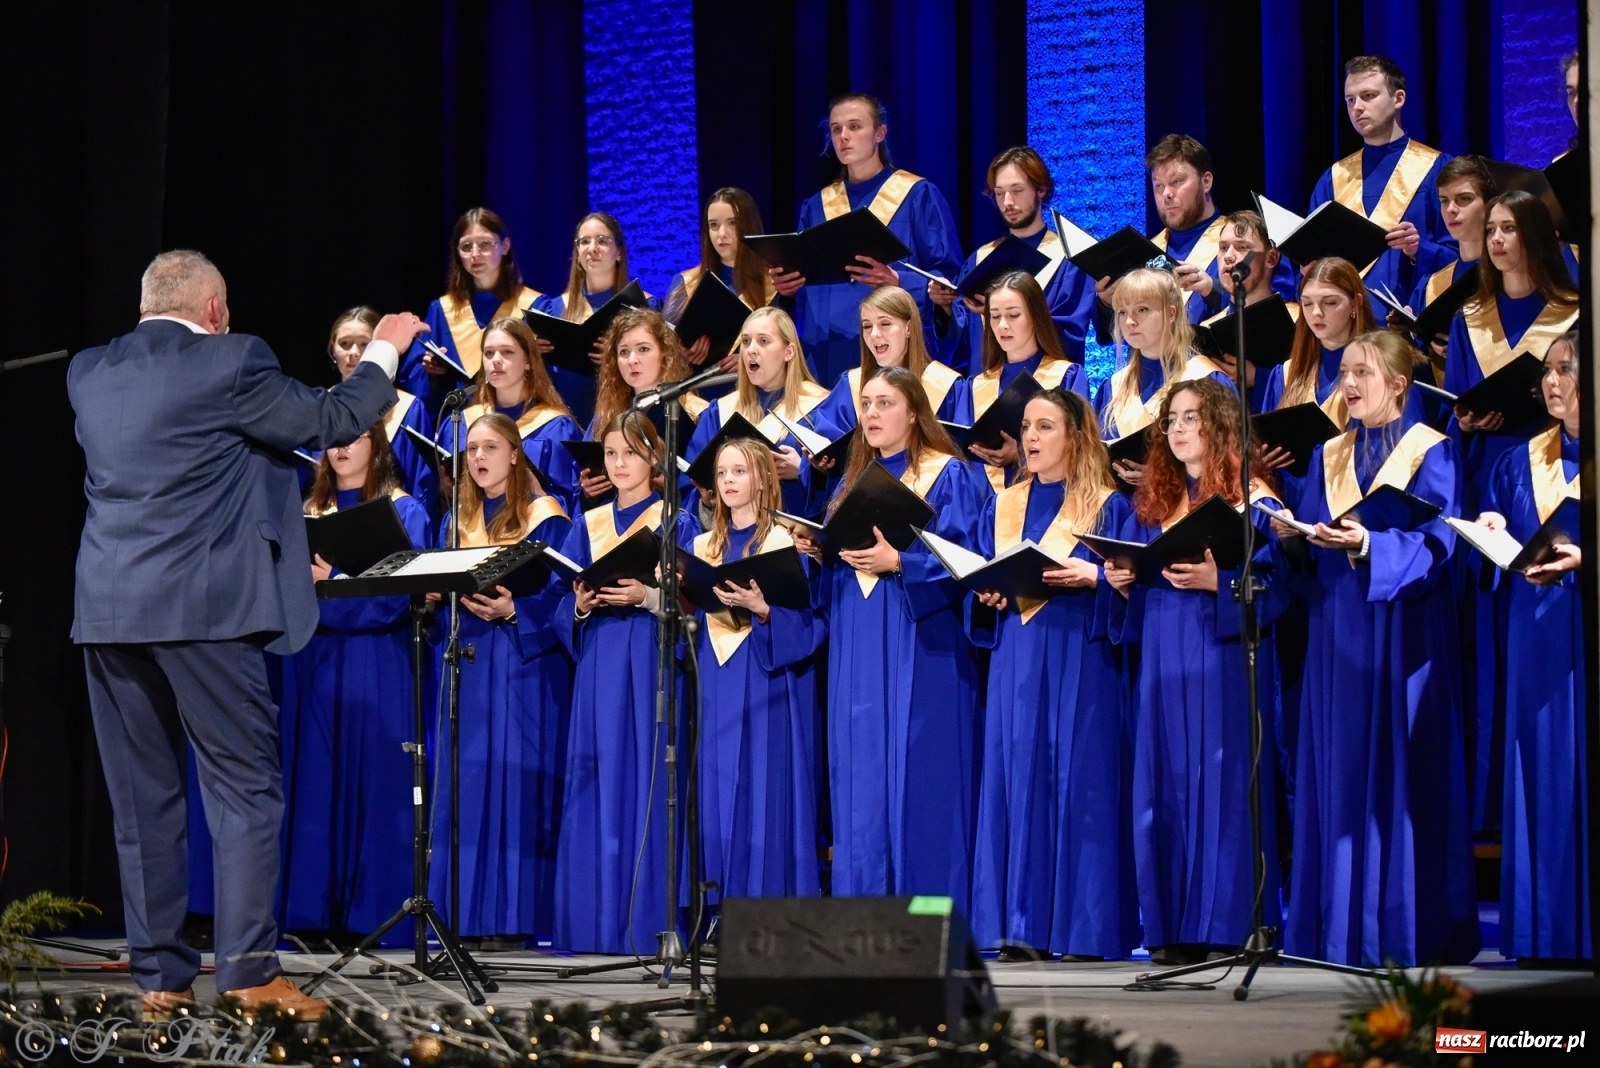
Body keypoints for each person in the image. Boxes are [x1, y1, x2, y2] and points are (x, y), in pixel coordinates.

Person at [68, 249, 422, 1019]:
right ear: (215, 309)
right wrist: (387, 345)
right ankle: (250, 974)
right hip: (204, 612)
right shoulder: (231, 362)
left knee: (142, 800)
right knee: (245, 790)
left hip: (107, 612)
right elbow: (331, 419)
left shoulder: (89, 374)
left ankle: (161, 978)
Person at [1272, 330, 1479, 967]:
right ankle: (1333, 929)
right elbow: (1309, 539)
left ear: (1397, 383)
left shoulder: (1432, 452)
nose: (1350, 384)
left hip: (1403, 628)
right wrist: (1289, 533)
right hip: (1337, 625)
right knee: (1339, 766)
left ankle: (1398, 928)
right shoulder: (1330, 454)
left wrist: (1368, 545)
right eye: (1344, 374)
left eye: (1363, 372)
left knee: (1396, 769)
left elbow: (1443, 544)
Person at [788, 368, 989, 916]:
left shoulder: (950, 476)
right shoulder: (851, 483)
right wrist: (817, 553)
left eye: (885, 403)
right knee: (861, 772)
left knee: (922, 771)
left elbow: (968, 560)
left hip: (922, 642)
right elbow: (832, 582)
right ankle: (864, 910)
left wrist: (902, 561)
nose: (872, 413)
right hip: (857, 637)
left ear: (914, 411)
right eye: (867, 404)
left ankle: (929, 913)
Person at [1100, 376, 1286, 966]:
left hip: (1223, 654)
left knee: (1222, 778)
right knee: (1165, 782)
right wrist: (1121, 581)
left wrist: (1223, 584)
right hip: (1162, 652)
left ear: (1222, 426)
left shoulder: (1252, 497)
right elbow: (1132, 572)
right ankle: (1171, 926)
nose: (1178, 430)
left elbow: (1281, 586)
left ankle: (1228, 922)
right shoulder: (1154, 502)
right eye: (1172, 421)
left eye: (1190, 418)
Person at [966, 389, 1138, 961]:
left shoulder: (1108, 505)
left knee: (1079, 780)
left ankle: (1084, 930)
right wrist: (985, 593)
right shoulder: (1003, 504)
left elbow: (1128, 587)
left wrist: (1095, 579)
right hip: (1016, 651)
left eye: (1046, 427)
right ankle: (1020, 927)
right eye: (1028, 427)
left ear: (1075, 437)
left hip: (1080, 654)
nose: (1032, 438)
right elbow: (980, 581)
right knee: (1018, 779)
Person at [1447, 190, 1580, 834]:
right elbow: (1453, 399)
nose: (1496, 240)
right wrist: (1469, 417)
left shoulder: (1574, 315)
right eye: (1491, 229)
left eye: (1508, 228)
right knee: (1495, 642)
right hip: (1493, 473)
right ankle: (1493, 811)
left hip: (1564, 465)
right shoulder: (1471, 313)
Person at [278, 425, 429, 939]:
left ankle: (373, 916)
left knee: (374, 782)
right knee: (318, 782)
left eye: (355, 438)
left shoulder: (404, 509)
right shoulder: (305, 513)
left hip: (376, 657)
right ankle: (311, 915)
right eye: (332, 439)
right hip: (315, 658)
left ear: (378, 446)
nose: (340, 448)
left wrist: (336, 584)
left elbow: (406, 591)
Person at [431, 413, 573, 944]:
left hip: (521, 665)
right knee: (467, 782)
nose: (479, 458)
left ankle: (513, 920)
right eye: (471, 450)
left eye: (491, 447)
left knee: (514, 783)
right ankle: (462, 916)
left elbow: (564, 595)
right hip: (468, 662)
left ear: (516, 454)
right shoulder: (456, 520)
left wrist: (517, 609)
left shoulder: (546, 518)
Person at [1475, 331, 1590, 965]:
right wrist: (1493, 527)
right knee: (1540, 768)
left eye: (1567, 369)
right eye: (1547, 370)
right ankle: (1545, 932)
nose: (1552, 382)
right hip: (1534, 630)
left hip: (1585, 621)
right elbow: (1502, 532)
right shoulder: (1519, 459)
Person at [553, 413, 679, 953]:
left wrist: (646, 597)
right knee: (597, 781)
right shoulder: (588, 523)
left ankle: (644, 923)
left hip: (650, 658)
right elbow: (566, 600)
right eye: (610, 455)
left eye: (630, 453)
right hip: (600, 661)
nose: (619, 464)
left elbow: (693, 599)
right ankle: (593, 924)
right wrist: (578, 606)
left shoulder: (678, 519)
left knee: (644, 779)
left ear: (653, 458)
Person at [680, 439, 825, 903]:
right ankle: (720, 905)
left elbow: (816, 620)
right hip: (717, 676)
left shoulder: (788, 542)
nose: (727, 482)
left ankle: (767, 902)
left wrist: (764, 610)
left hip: (769, 675)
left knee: (765, 788)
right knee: (720, 788)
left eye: (738, 472)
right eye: (722, 474)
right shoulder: (702, 546)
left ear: (763, 479)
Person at [773, 93, 962, 386]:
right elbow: (803, 289)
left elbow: (949, 281)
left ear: (879, 133)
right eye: (836, 129)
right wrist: (787, 290)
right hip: (825, 356)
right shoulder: (816, 206)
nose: (843, 137)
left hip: (893, 355)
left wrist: (898, 281)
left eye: (854, 126)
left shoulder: (917, 196)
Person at [1093, 136, 1294, 330]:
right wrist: (1108, 303)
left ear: (1206, 182)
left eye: (1177, 181)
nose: (1167, 194)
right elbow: (1115, 337)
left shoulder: (1251, 243)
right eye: (1159, 186)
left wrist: (1213, 291)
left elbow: (1276, 314)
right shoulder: (1145, 253)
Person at [928, 146, 1095, 374]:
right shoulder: (979, 259)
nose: (1007, 202)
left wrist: (1000, 312)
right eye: (999, 193)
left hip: (1047, 391)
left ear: (1041, 190)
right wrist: (945, 307)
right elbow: (963, 341)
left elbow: (1069, 336)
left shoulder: (1069, 260)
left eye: (1017, 190)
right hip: (986, 389)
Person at [1309, 56, 1454, 310]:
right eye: (1350, 100)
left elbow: (1464, 255)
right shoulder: (1333, 178)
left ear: (1398, 99)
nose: (1357, 107)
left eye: (1368, 96)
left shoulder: (1437, 169)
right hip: (1345, 327)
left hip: (1410, 324)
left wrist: (1419, 249)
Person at [684, 307, 831, 517]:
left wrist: (803, 471)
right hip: (734, 540)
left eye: (763, 341)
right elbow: (690, 489)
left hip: (795, 541)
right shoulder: (718, 413)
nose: (751, 350)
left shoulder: (822, 408)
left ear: (788, 352)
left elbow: (842, 483)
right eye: (745, 342)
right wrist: (707, 502)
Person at [1093, 268, 1231, 487]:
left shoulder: (1207, 380)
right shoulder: (1112, 387)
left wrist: (1163, 476)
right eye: (1122, 312)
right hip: (1122, 514)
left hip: (1186, 510)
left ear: (1172, 313)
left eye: (1142, 309)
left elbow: (1229, 461)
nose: (1129, 321)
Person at [956, 272, 1089, 493]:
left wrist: (1020, 453)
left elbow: (1081, 447)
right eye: (995, 316)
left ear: (1036, 316)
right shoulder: (975, 386)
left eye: (1013, 315)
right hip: (984, 509)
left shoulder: (1067, 376)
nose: (1002, 326)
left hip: (1052, 501)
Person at [399, 207, 541, 412]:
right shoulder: (441, 311)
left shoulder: (534, 306)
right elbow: (414, 380)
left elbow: (548, 377)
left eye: (485, 244)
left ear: (505, 246)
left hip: (518, 419)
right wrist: (431, 371)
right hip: (459, 425)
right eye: (466, 247)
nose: (475, 254)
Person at [535, 212, 658, 427]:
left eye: (602, 241)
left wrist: (617, 359)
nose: (592, 248)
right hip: (563, 424)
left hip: (627, 421)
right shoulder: (551, 309)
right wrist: (531, 351)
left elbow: (662, 370)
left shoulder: (645, 307)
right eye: (584, 242)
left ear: (619, 252)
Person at [582, 307, 710, 503]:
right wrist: (588, 491)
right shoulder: (605, 417)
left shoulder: (696, 413)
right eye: (624, 352)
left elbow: (703, 485)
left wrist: (670, 486)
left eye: (643, 349)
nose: (632, 360)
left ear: (664, 354)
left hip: (671, 523)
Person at [321, 306, 439, 515]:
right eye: (345, 344)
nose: (354, 353)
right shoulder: (321, 409)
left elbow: (422, 485)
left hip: (396, 523)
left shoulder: (407, 408)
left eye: (365, 344)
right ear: (332, 349)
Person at [812, 286, 970, 441]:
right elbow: (826, 443)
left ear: (908, 328)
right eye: (867, 326)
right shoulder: (851, 386)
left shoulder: (945, 386)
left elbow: (962, 452)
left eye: (885, 324)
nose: (874, 334)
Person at [460, 316, 583, 515]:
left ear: (528, 361)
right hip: (475, 536)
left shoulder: (555, 426)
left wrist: (538, 495)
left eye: (507, 352)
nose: (496, 360)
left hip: (531, 534)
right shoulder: (464, 423)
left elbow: (571, 502)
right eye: (489, 353)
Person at [663, 187, 776, 388]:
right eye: (713, 225)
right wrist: (681, 353)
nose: (721, 234)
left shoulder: (775, 282)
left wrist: (748, 356)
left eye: (732, 223)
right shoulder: (685, 283)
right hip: (698, 397)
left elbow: (790, 346)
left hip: (758, 395)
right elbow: (662, 351)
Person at [1403, 155, 1497, 375]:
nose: (1451, 209)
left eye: (1464, 199)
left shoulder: (1511, 277)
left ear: (1490, 203)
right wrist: (1406, 335)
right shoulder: (1430, 287)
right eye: (1444, 200)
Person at [1204, 210, 1291, 412]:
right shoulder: (1207, 328)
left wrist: (1257, 378)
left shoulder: (1300, 319)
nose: (1228, 256)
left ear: (1271, 259)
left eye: (1242, 247)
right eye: (1223, 247)